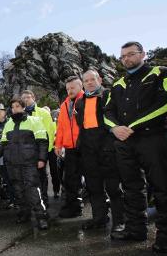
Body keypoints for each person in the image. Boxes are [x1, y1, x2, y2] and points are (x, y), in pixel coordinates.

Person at [104, 41, 167, 252]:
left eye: (131, 54)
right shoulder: (118, 83)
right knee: (131, 188)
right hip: (124, 142)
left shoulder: (161, 72)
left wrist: (132, 126)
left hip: (153, 139)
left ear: (143, 54)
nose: (127, 59)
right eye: (123, 56)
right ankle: (135, 228)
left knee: (163, 186)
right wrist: (115, 129)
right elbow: (108, 112)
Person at [74, 70, 125, 232]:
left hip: (107, 149)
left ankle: (120, 221)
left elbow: (116, 120)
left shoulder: (108, 95)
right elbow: (80, 125)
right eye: (86, 80)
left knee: (114, 187)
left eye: (92, 79)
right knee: (94, 187)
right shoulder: (80, 102)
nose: (89, 82)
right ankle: (99, 218)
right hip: (89, 151)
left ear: (99, 80)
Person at [0, 96, 50, 229]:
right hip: (13, 164)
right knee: (18, 190)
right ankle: (24, 213)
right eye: (12, 107)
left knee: (32, 189)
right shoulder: (8, 123)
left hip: (29, 163)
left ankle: (41, 216)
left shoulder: (34, 121)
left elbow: (43, 141)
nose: (14, 109)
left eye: (17, 106)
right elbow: (3, 144)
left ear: (23, 107)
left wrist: (41, 159)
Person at [54, 77, 84, 218]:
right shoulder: (64, 105)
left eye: (72, 88)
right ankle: (74, 208)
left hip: (85, 146)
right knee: (71, 181)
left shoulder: (86, 99)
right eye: (67, 89)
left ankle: (101, 213)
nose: (69, 91)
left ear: (80, 86)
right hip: (70, 149)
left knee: (94, 180)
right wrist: (58, 145)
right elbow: (60, 128)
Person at [22, 89, 56, 203]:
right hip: (28, 151)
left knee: (42, 174)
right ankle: (33, 198)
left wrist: (48, 150)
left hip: (42, 149)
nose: (25, 100)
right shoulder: (21, 115)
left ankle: (44, 197)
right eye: (23, 98)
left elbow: (50, 132)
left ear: (33, 98)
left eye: (28, 97)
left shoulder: (43, 112)